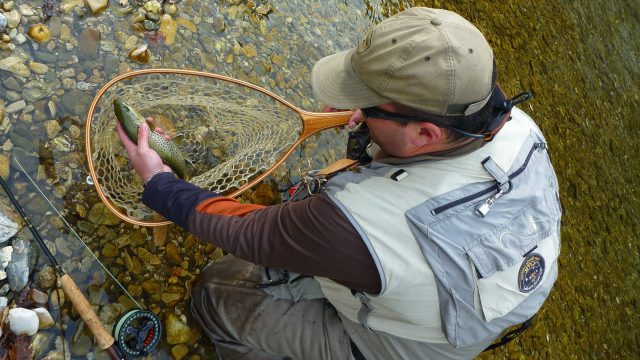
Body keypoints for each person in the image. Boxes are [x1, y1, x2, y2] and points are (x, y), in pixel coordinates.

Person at [116, 7, 561, 360]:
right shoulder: (518, 127)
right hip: (471, 304)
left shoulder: (357, 225)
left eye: (366, 105)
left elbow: (246, 232)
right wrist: (376, 127)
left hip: (396, 346)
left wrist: (157, 179)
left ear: (425, 132)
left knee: (216, 292)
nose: (352, 109)